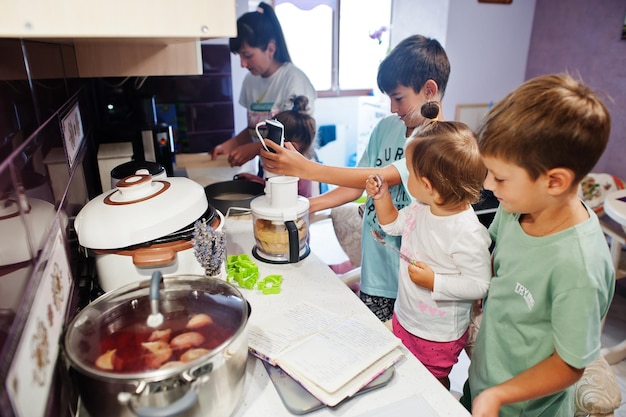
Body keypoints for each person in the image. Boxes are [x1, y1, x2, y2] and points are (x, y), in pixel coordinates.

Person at [263, 35, 451, 322]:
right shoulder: (386, 128)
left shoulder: (440, 143)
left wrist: (305, 168)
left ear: (429, 90)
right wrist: (306, 205)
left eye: (398, 98)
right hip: (375, 270)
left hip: (413, 282)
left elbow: (383, 176)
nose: (392, 108)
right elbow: (357, 186)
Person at [460, 73, 615, 417]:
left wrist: (499, 395)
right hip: (484, 382)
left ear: (555, 181)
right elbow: (491, 253)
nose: (488, 185)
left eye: (499, 178)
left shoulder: (579, 266)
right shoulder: (517, 207)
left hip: (525, 408)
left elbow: (571, 363)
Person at [364, 101, 491, 389]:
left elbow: (479, 284)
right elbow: (393, 225)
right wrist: (382, 197)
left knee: (430, 387)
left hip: (438, 335)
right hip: (405, 317)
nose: (403, 176)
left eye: (408, 171)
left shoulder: (467, 231)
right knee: (404, 378)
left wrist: (435, 281)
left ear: (429, 185)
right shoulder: (422, 206)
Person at [211, 2, 316, 171]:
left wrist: (254, 149)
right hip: (268, 169)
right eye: (239, 56)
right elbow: (255, 129)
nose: (243, 64)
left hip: (296, 174)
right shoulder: (250, 81)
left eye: (248, 55)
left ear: (271, 48)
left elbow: (297, 137)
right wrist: (233, 144)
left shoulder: (294, 80)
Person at [237, 95, 318, 197]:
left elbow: (279, 194)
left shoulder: (297, 175)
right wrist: (254, 179)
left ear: (290, 147)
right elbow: (272, 186)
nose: (266, 146)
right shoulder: (284, 168)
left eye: (271, 144)